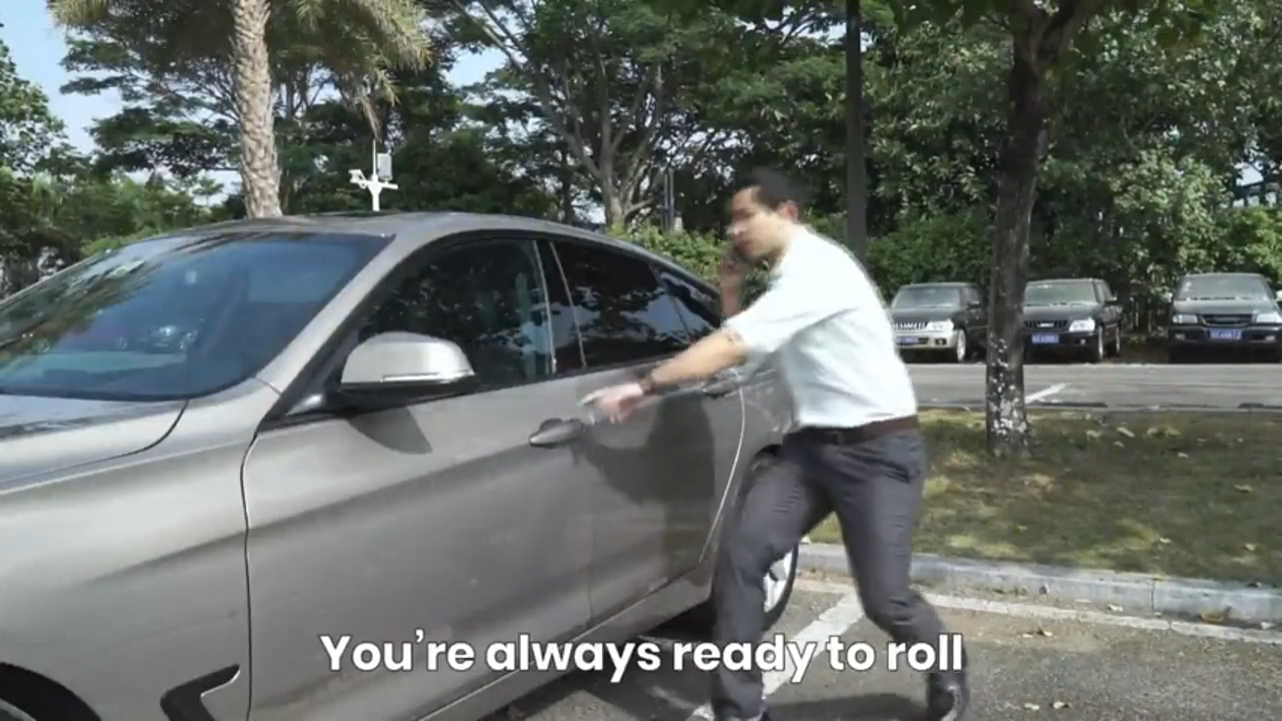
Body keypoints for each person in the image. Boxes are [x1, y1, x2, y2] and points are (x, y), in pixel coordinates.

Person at [581, 168, 970, 721]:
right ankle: (740, 709)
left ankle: (948, 667)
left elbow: (734, 344)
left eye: (746, 216)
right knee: (743, 558)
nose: (734, 230)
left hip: (879, 451)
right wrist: (730, 292)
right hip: (809, 452)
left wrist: (644, 386)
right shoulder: (787, 283)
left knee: (885, 598)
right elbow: (754, 352)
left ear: (786, 213)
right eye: (732, 220)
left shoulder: (818, 271)